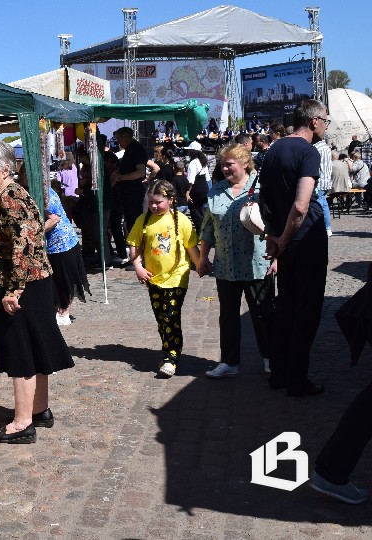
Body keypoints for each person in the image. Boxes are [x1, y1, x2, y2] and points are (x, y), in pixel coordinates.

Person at [0, 141, 74, 444]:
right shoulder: (4, 197)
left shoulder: (12, 197)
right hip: (32, 283)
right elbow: (11, 236)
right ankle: (39, 411)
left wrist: (13, 291)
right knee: (35, 348)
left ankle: (22, 423)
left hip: (24, 285)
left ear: (3, 169)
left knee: (23, 351)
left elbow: (25, 245)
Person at [259, 98, 329, 397]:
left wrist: (274, 237)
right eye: (326, 120)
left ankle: (279, 372)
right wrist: (283, 239)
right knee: (306, 310)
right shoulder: (307, 151)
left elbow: (265, 199)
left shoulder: (274, 150)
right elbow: (301, 207)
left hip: (283, 239)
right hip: (304, 240)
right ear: (314, 121)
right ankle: (297, 379)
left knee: (287, 306)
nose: (326, 125)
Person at [198, 144, 276, 378]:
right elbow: (208, 227)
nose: (223, 168)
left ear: (244, 163)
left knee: (263, 315)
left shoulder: (263, 188)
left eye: (228, 164)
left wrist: (278, 256)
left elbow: (277, 224)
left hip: (258, 263)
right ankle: (229, 362)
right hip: (226, 265)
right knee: (228, 316)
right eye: (221, 164)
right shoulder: (217, 190)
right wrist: (203, 257)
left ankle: (271, 357)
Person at [126, 180, 202, 378]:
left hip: (177, 277)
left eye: (158, 202)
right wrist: (138, 267)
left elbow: (191, 246)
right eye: (151, 202)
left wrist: (201, 265)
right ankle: (168, 348)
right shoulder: (143, 220)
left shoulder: (181, 220)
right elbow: (135, 245)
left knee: (170, 316)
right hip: (153, 279)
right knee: (162, 319)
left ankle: (171, 358)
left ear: (170, 199)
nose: (154, 206)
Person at [44, 185, 90, 326]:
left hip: (63, 243)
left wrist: (33, 232)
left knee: (65, 279)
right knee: (56, 280)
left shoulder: (46, 193)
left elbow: (54, 219)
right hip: (52, 245)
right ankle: (58, 310)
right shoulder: (40, 191)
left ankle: (64, 313)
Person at [110, 127, 149, 265]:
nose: (118, 141)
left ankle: (140, 259)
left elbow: (140, 173)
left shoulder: (136, 150)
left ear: (125, 137)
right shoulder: (130, 150)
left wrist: (121, 177)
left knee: (136, 225)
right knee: (131, 225)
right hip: (128, 193)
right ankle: (135, 257)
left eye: (119, 138)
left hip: (134, 194)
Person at [185, 148, 210, 228]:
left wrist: (188, 192)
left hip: (196, 189)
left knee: (196, 214)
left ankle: (200, 234)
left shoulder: (192, 163)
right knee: (202, 212)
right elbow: (208, 178)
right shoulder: (203, 162)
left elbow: (191, 180)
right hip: (204, 187)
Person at [313, 139, 334, 236]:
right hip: (326, 180)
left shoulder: (317, 148)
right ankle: (327, 228)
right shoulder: (326, 147)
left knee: (319, 205)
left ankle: (320, 227)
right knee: (324, 204)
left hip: (320, 181)